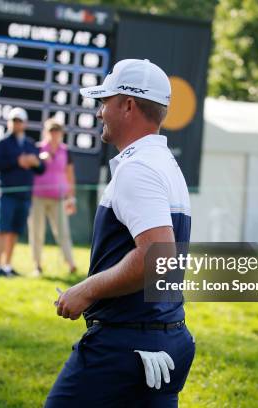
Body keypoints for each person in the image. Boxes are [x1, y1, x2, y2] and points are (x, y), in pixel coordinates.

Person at [46, 59, 195, 407]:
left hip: (123, 348)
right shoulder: (167, 166)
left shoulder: (138, 169)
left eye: (105, 101)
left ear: (128, 105)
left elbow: (156, 259)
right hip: (165, 339)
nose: (100, 112)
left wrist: (86, 290)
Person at [0, 107, 44, 277]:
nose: (16, 124)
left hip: (24, 195)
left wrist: (35, 162)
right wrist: (17, 161)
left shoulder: (29, 144)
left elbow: (41, 169)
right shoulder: (1, 142)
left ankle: (7, 265)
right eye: (13, 120)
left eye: (19, 121)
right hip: (6, 193)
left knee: (14, 231)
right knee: (2, 229)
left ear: (25, 123)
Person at [28, 118, 77, 276]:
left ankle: (70, 263)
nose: (54, 134)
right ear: (45, 132)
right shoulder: (37, 149)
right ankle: (37, 265)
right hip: (38, 197)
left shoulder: (65, 151)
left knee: (63, 232)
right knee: (37, 231)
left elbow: (70, 175)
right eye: (51, 130)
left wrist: (71, 198)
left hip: (59, 197)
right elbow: (30, 166)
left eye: (57, 130)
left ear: (61, 133)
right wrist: (40, 158)